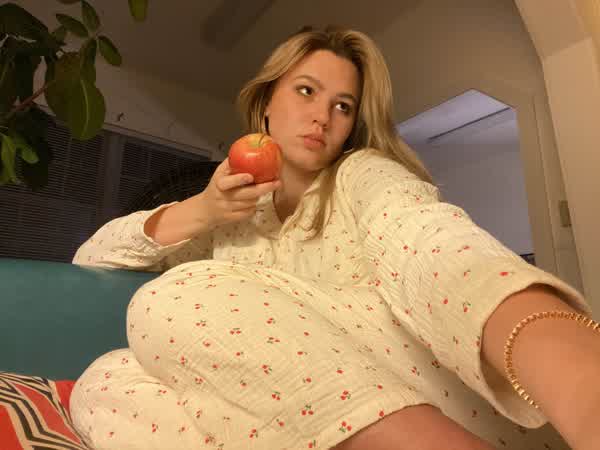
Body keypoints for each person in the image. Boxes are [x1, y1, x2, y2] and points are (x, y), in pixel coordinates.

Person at [69, 25, 598, 450]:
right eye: (306, 91)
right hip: (307, 417)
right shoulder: (228, 220)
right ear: (266, 103)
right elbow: (90, 258)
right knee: (105, 381)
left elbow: (431, 244)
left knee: (171, 297)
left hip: (443, 406)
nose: (322, 116)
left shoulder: (364, 176)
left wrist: (582, 387)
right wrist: (202, 210)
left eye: (343, 106)